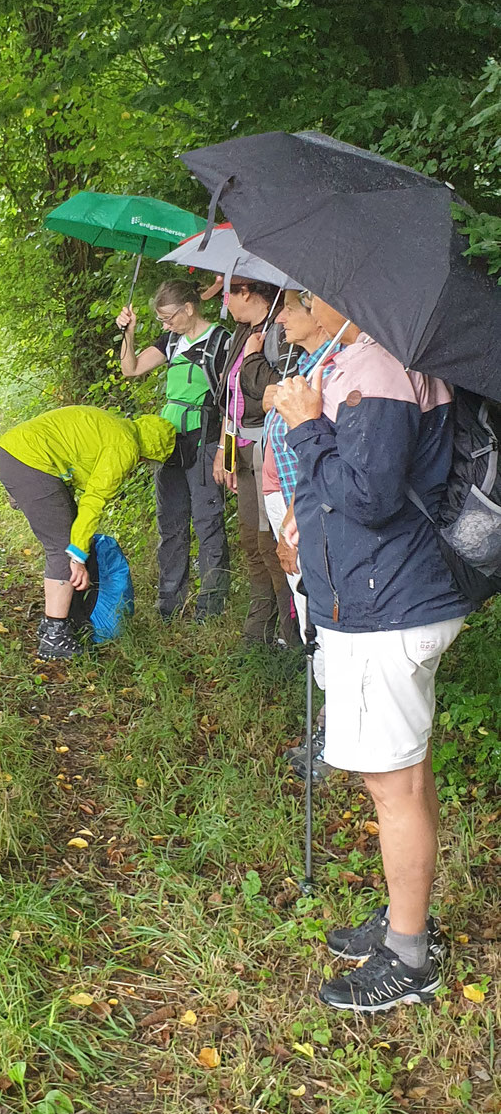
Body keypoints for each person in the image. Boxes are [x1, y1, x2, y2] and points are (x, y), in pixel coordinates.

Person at [275, 295, 467, 1013]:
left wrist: (306, 427)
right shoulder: (366, 361)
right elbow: (357, 488)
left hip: (385, 606)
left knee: (394, 788)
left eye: (301, 290)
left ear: (339, 295)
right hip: (385, 595)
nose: (291, 303)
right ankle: (403, 919)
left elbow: (372, 496)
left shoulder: (381, 365)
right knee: (405, 778)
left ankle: (409, 958)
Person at [0, 406, 175, 659]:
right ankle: (55, 636)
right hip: (30, 461)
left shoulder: (118, 428)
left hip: (18, 454)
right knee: (63, 546)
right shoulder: (124, 446)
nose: (143, 465)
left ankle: (59, 623)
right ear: (151, 450)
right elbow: (94, 501)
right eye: (149, 461)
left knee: (71, 537)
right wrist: (77, 556)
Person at [261, 288, 343, 776]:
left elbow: (323, 452)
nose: (284, 317)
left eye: (294, 307)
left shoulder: (336, 369)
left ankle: (334, 737)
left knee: (323, 614)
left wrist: (293, 520)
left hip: (308, 511)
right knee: (313, 609)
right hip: (292, 504)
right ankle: (331, 730)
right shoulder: (312, 363)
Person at [117, 278, 230, 621]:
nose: (164, 325)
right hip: (168, 442)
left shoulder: (220, 341)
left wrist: (225, 448)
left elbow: (232, 401)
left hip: (205, 439)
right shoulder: (172, 340)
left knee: (208, 522)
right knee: (171, 523)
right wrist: (128, 333)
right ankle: (170, 603)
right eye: (160, 320)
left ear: (189, 308)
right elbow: (130, 368)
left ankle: (210, 609)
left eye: (168, 317)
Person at [212, 278, 293, 648]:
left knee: (269, 543)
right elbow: (232, 398)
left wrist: (255, 358)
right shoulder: (242, 333)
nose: (224, 302)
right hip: (242, 450)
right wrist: (223, 449)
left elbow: (279, 392)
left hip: (269, 452)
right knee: (250, 540)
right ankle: (257, 633)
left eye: (227, 293)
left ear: (246, 292)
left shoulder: (281, 329)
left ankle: (292, 638)